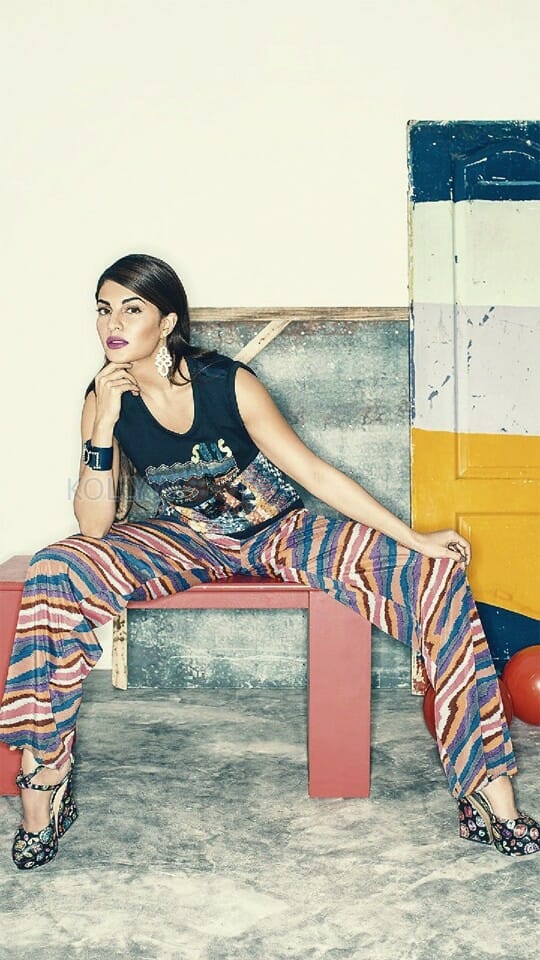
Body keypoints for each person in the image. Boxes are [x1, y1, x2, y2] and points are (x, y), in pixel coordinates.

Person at [0, 253, 538, 871]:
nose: (112, 324)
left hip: (278, 531)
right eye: (103, 309)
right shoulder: (104, 397)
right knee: (55, 567)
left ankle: (488, 793)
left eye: (132, 309)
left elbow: (313, 472)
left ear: (166, 322)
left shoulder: (226, 382)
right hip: (188, 537)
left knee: (435, 575)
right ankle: (45, 784)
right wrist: (102, 429)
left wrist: (413, 539)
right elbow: (94, 527)